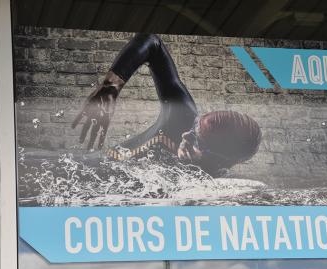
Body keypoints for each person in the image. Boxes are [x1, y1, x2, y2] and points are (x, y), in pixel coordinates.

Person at [72, 33, 261, 175]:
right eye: (195, 126)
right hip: (82, 169)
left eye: (197, 139)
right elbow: (153, 43)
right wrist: (111, 86)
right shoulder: (183, 115)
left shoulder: (205, 182)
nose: (186, 133)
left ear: (218, 161)